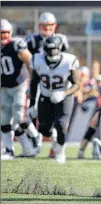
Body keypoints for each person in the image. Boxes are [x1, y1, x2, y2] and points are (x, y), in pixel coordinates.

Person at [29, 36, 80, 164]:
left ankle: (60, 152)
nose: (52, 52)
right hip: (45, 95)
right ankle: (53, 136)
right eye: (49, 49)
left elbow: (77, 84)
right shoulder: (38, 59)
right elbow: (34, 82)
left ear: (60, 48)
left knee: (61, 125)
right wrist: (32, 103)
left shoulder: (69, 60)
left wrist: (64, 93)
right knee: (43, 129)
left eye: (54, 49)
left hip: (64, 96)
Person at [26, 12, 69, 157]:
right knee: (34, 114)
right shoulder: (32, 41)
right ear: (39, 26)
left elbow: (64, 63)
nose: (47, 28)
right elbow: (26, 61)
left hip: (57, 84)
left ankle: (55, 146)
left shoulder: (61, 39)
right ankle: (35, 140)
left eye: (50, 25)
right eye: (44, 25)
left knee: (59, 119)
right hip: (39, 80)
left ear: (54, 26)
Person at [1, 19, 41, 160]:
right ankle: (9, 151)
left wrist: (33, 83)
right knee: (4, 120)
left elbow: (31, 63)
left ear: (10, 33)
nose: (3, 36)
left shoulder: (16, 45)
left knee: (19, 116)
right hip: (4, 86)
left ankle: (35, 136)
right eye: (1, 33)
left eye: (6, 33)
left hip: (19, 84)